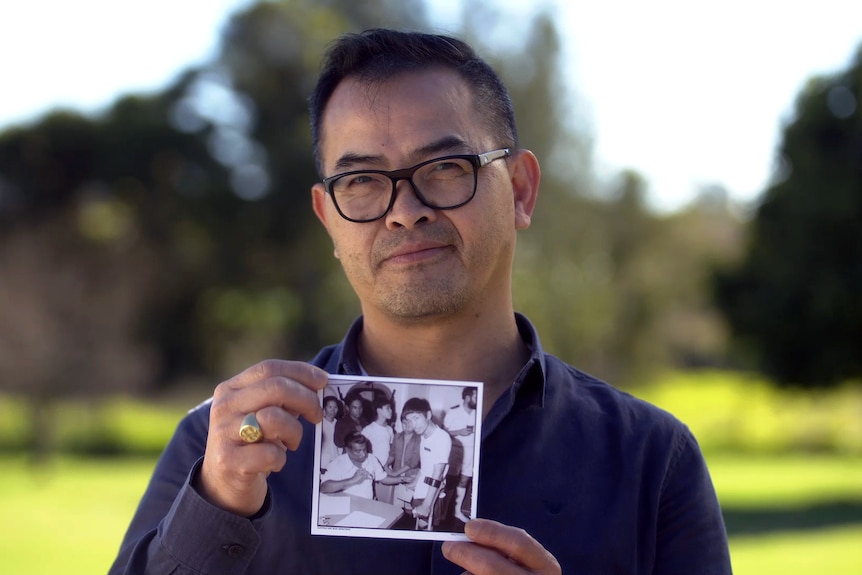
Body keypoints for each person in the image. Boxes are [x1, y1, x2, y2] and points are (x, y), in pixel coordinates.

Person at [110, 28, 732, 575]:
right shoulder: (219, 447)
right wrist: (214, 506)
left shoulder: (653, 460)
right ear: (329, 219)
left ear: (519, 189)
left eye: (445, 167)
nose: (405, 211)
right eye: (360, 181)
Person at [402, 397, 452, 528]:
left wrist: (426, 505)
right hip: (421, 489)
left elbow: (438, 473)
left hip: (432, 494)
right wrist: (416, 480)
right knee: (419, 525)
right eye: (409, 420)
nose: (413, 424)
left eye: (416, 418)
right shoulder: (423, 436)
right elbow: (425, 466)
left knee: (426, 529)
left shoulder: (441, 438)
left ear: (428, 415)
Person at [319, 432, 401, 499]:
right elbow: (323, 487)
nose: (363, 454)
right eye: (358, 451)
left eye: (364, 449)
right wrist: (352, 480)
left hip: (368, 504)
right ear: (347, 450)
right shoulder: (338, 463)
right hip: (346, 506)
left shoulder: (371, 459)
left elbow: (383, 478)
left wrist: (402, 479)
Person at [444, 386, 477, 522]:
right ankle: (443, 513)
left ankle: (457, 512)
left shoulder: (477, 413)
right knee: (450, 482)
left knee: (464, 480)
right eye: (475, 396)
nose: (477, 399)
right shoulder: (453, 412)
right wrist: (459, 432)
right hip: (455, 450)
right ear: (468, 397)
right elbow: (444, 433)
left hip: (471, 450)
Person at [386, 409, 421, 509]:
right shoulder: (397, 437)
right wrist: (386, 465)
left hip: (411, 477)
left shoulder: (418, 438)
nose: (407, 425)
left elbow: (413, 463)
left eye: (410, 422)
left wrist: (395, 474)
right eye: (404, 422)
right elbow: (392, 454)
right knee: (397, 507)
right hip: (397, 477)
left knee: (410, 507)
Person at [361, 395, 394, 469]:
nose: (391, 410)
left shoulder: (390, 429)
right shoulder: (368, 429)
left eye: (391, 408)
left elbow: (391, 450)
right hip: (373, 467)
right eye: (388, 408)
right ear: (379, 410)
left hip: (387, 467)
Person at [319, 395, 340, 469]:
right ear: (324, 408)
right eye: (330, 407)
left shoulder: (339, 424)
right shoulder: (319, 424)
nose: (333, 410)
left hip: (337, 461)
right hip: (323, 462)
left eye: (335, 407)